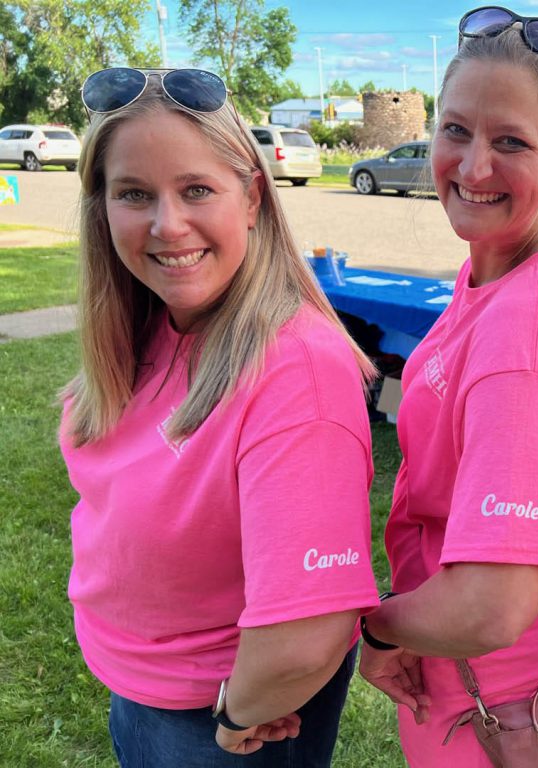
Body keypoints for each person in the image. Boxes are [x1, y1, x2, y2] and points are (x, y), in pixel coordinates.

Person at [60, 67, 380, 766]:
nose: (166, 225)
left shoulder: (296, 371)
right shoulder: (151, 329)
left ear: (253, 199)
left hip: (221, 729)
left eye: (196, 189)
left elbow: (306, 632)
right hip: (141, 697)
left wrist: (239, 715)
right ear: (101, 207)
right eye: (134, 194)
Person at [356, 8, 538, 766]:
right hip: (503, 687)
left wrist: (376, 629)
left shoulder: (519, 338)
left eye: (510, 142)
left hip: (498, 708)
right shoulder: (509, 270)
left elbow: (490, 605)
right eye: (456, 131)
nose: (471, 168)